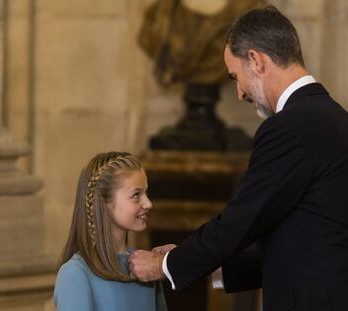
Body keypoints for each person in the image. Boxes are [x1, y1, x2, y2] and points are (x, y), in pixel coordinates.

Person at [129, 5, 348, 311]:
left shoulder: (287, 128)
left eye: (235, 76)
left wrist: (164, 265)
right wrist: (204, 263)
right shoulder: (335, 118)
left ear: (256, 60)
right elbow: (305, 240)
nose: (239, 93)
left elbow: (240, 221)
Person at [54, 152, 167, 311]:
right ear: (105, 202)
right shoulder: (75, 273)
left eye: (146, 193)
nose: (148, 203)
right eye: (136, 195)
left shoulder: (145, 266)